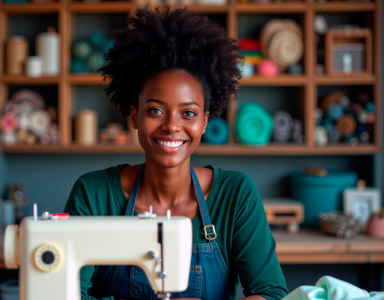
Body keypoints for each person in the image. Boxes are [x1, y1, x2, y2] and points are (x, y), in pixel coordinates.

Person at [64, 6, 288, 300]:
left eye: (188, 113)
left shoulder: (235, 195)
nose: (171, 126)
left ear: (205, 121)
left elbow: (271, 293)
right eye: (155, 110)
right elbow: (65, 293)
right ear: (134, 116)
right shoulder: (94, 194)